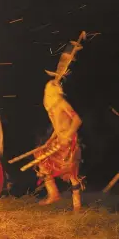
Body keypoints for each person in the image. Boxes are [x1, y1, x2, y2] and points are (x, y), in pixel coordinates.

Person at [35, 80, 84, 210]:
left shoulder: (62, 103)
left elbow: (77, 120)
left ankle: (77, 206)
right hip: (59, 140)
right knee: (42, 159)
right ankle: (53, 194)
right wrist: (50, 140)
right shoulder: (51, 107)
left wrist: (68, 135)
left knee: (72, 173)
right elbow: (57, 128)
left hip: (69, 141)